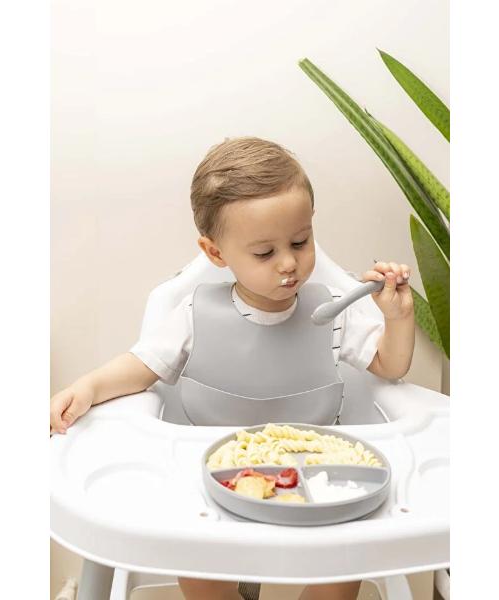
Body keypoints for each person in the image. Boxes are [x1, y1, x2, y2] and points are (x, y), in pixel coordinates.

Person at [50, 137, 415, 600]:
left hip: (316, 480)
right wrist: (86, 388)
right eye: (264, 253)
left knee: (345, 565)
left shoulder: (333, 311)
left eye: (300, 242)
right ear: (216, 253)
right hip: (212, 482)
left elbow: (388, 365)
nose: (289, 263)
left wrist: (398, 317)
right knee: (194, 561)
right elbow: (140, 367)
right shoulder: (193, 314)